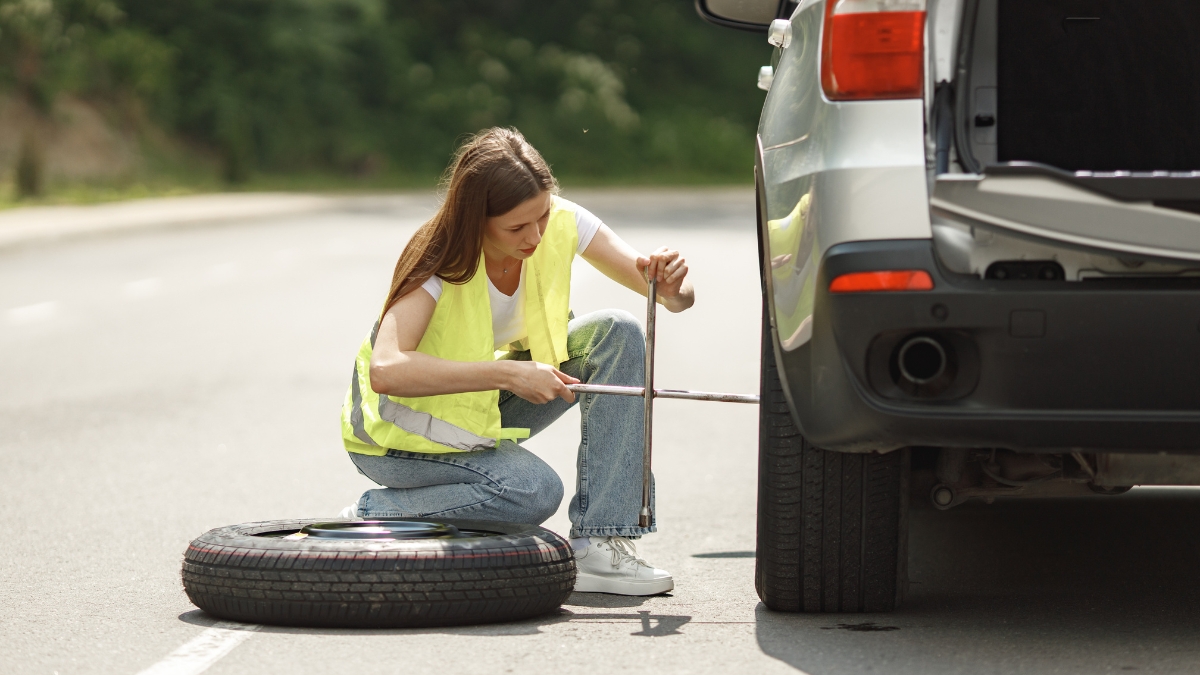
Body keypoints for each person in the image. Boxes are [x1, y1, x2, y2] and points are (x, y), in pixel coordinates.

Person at [337, 127, 694, 596]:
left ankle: (600, 546)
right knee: (533, 492)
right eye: (517, 228)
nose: (536, 235)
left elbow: (672, 297)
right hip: (395, 437)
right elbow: (386, 370)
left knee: (617, 331)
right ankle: (373, 511)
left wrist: (669, 287)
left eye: (542, 217)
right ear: (476, 220)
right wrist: (507, 372)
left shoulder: (559, 222)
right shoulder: (436, 256)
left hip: (473, 410)